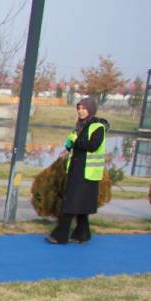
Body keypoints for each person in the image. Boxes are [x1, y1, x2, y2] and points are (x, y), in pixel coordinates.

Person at [46, 97, 107, 245]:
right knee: (81, 203)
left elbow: (92, 145)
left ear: (90, 110)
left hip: (87, 173)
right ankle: (82, 234)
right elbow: (70, 142)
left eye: (84, 108)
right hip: (76, 168)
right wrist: (67, 149)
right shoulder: (79, 126)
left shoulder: (97, 127)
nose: (80, 111)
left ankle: (60, 235)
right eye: (79, 108)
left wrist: (76, 142)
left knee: (71, 203)